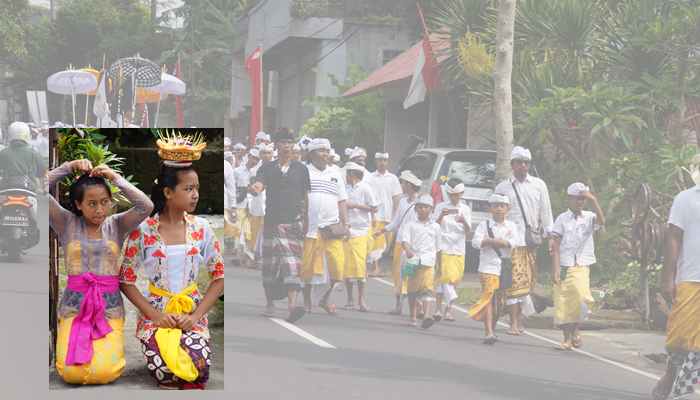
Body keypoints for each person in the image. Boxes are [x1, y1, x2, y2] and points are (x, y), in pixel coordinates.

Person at [119, 136, 224, 390]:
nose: (195, 194)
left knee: (198, 368)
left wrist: (196, 316)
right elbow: (125, 280)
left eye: (196, 188)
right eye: (188, 189)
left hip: (191, 314)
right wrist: (155, 315)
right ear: (167, 192)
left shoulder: (202, 228)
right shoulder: (142, 230)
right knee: (166, 372)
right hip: (156, 316)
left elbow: (219, 277)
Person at [49, 158, 153, 384]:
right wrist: (69, 167)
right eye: (92, 203)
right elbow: (36, 190)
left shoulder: (117, 224)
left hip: (109, 306)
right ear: (78, 204)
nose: (99, 209)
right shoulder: (66, 223)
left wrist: (115, 178)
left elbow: (146, 206)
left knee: (106, 371)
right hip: (74, 306)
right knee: (70, 373)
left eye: (104, 202)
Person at [652, 154, 700, 400]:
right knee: (680, 337)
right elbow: (673, 237)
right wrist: (667, 277)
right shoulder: (685, 199)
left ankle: (686, 388)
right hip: (691, 278)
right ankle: (671, 373)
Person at [494, 146, 554, 335]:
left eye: (526, 162)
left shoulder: (538, 185)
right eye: (519, 162)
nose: (523, 166)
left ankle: (519, 320)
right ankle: (513, 322)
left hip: (530, 243)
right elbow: (495, 214)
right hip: (509, 243)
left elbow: (546, 213)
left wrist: (551, 238)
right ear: (512, 164)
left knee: (527, 284)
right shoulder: (503, 187)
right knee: (513, 284)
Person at [257, 129, 310, 322]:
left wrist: (306, 222)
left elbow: (305, 197)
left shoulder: (301, 169)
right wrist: (255, 187)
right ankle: (270, 303)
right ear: (276, 145)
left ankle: (292, 307)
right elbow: (259, 184)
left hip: (293, 223)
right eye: (283, 142)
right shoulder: (267, 168)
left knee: (292, 266)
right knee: (269, 267)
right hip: (271, 222)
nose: (287, 145)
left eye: (290, 142)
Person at [551, 183, 605, 350]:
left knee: (581, 299)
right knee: (564, 303)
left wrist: (593, 200)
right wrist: (556, 269)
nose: (580, 202)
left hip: (582, 264)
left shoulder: (589, 216)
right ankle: (567, 338)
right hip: (565, 264)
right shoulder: (562, 219)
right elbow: (556, 246)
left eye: (583, 199)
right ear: (570, 198)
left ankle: (576, 330)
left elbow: (602, 221)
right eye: (577, 198)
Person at [301, 138, 348, 314]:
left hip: (332, 228)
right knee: (308, 268)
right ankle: (306, 300)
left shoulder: (336, 173)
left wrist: (346, 223)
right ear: (312, 154)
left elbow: (342, 201)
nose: (325, 154)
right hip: (311, 228)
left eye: (327, 151)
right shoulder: (304, 171)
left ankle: (324, 299)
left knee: (338, 267)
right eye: (321, 151)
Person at [468, 194, 517, 344]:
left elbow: (514, 243)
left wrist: (495, 242)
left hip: (505, 267)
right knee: (488, 297)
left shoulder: (512, 226)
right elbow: (476, 243)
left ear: (507, 209)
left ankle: (492, 328)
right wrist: (490, 241)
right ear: (490, 208)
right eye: (495, 205)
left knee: (500, 302)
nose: (499, 209)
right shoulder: (484, 225)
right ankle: (488, 332)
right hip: (487, 267)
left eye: (502, 206)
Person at [375, 170, 422, 315]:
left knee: (413, 274)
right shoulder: (402, 201)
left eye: (403, 183)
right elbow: (396, 221)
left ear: (409, 185)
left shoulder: (421, 203)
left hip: (413, 245)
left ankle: (418, 306)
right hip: (400, 243)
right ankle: (398, 305)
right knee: (398, 275)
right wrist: (383, 230)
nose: (401, 185)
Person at [433, 178, 472, 322]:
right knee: (443, 278)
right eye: (451, 194)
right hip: (443, 247)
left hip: (459, 248)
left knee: (454, 280)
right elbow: (433, 226)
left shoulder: (466, 209)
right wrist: (441, 215)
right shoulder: (440, 206)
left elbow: (468, 231)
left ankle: (448, 310)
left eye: (457, 194)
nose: (454, 197)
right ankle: (437, 309)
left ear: (461, 193)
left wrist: (463, 221)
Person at [399, 193, 440, 329]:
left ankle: (427, 316)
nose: (423, 210)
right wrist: (408, 250)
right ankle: (413, 316)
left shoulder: (435, 227)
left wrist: (439, 263)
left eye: (426, 207)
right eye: (421, 207)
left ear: (431, 210)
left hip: (428, 261)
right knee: (412, 290)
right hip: (412, 260)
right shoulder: (410, 225)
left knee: (427, 288)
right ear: (416, 208)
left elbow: (438, 247)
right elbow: (404, 241)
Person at [343, 162, 378, 311]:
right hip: (347, 230)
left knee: (359, 265)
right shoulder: (344, 188)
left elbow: (374, 208)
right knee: (347, 266)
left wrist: (355, 205)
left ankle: (361, 299)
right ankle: (350, 299)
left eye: (348, 173)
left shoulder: (365, 188)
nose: (346, 176)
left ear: (353, 174)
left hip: (362, 230)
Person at [0, 122, 47, 220]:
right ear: (27, 135)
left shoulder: (3, 153)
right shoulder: (34, 153)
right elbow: (42, 172)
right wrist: (43, 189)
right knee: (37, 219)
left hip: (6, 191)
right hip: (28, 192)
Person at [367, 152, 402, 277]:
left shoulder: (393, 178)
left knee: (386, 246)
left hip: (389, 216)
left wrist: (396, 216)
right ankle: (375, 267)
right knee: (377, 243)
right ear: (376, 162)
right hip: (376, 216)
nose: (382, 163)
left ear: (387, 162)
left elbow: (397, 197)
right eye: (380, 160)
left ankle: (378, 267)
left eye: (384, 160)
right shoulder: (370, 178)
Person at [233, 149, 261, 266]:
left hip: (253, 205)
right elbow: (232, 187)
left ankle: (247, 256)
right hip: (240, 204)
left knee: (249, 232)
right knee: (240, 231)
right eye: (253, 158)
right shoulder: (237, 171)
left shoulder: (257, 173)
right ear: (248, 156)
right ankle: (240, 256)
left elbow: (258, 190)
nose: (254, 161)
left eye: (257, 159)